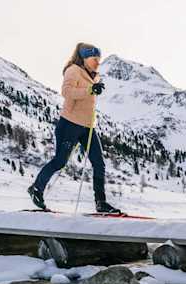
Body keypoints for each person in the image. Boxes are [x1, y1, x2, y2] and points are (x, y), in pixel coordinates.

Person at [27, 43, 121, 214]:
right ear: (84, 58)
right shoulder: (73, 70)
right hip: (69, 124)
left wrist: (93, 87)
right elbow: (67, 91)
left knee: (99, 163)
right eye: (94, 59)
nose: (97, 63)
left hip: (88, 128)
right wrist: (90, 89)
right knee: (60, 161)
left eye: (98, 60)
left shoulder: (94, 76)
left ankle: (101, 202)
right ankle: (36, 188)